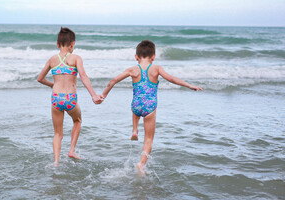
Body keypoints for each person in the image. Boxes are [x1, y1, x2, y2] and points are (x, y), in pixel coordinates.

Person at [101, 40, 202, 174]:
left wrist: (103, 95)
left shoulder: (132, 69)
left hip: (136, 105)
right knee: (148, 140)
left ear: (136, 57)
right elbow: (171, 79)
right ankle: (141, 164)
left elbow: (113, 80)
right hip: (150, 107)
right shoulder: (156, 68)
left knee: (136, 107)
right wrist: (189, 85)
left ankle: (135, 130)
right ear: (153, 57)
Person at [37, 27, 102, 166]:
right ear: (72, 44)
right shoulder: (76, 58)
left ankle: (55, 162)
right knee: (77, 120)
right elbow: (83, 77)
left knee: (57, 133)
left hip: (56, 99)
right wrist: (94, 95)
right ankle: (71, 150)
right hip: (70, 99)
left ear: (57, 44)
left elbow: (40, 78)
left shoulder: (52, 59)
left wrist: (53, 85)